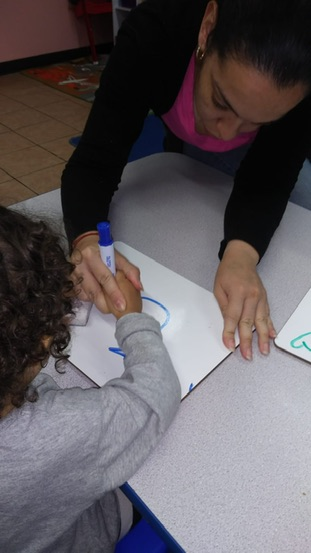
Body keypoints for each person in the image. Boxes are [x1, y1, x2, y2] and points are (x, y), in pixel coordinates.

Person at [61, 0, 311, 362]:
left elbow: (270, 176)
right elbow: (94, 161)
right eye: (220, 101)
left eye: (258, 122)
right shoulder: (157, 30)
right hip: (179, 136)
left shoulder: (300, 79)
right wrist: (85, 240)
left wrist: (241, 254)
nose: (226, 134)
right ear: (207, 29)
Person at [0, 206, 181, 553]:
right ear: (42, 337)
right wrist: (131, 317)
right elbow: (152, 395)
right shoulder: (51, 433)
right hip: (85, 530)